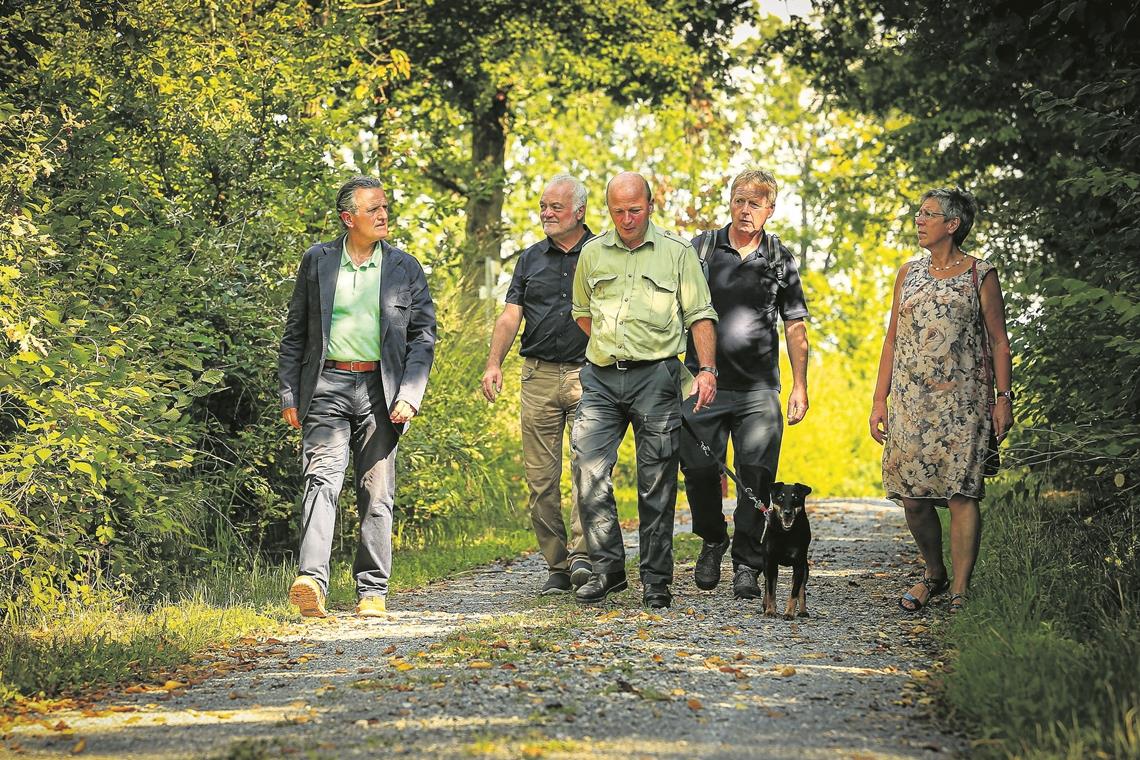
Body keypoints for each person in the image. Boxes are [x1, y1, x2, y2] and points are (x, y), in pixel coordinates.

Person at [279, 175, 437, 618]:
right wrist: (290, 391)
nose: (384, 214)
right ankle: (311, 581)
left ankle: (372, 591)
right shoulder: (318, 261)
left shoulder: (405, 268)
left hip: (380, 391)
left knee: (376, 491)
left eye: (385, 206)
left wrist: (411, 391)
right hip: (325, 385)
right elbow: (296, 331)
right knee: (321, 479)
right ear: (349, 218)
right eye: (373, 209)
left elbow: (423, 337)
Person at [570, 171, 719, 609]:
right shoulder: (593, 253)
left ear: (650, 206)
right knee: (587, 469)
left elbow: (700, 315)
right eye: (618, 211)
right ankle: (608, 570)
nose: (627, 218)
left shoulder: (676, 253)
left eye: (634, 209)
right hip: (600, 378)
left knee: (656, 480)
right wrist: (611, 347)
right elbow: (582, 313)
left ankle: (657, 579)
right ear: (608, 210)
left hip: (656, 377)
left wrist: (706, 369)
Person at [869, 187, 1012, 614]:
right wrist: (880, 399)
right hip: (912, 403)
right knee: (912, 498)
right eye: (919, 213)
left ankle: (960, 591)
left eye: (928, 214)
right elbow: (892, 340)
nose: (919, 220)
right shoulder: (907, 274)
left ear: (952, 225)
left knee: (961, 494)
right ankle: (934, 573)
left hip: (964, 403)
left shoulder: (979, 275)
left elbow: (999, 341)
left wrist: (1003, 398)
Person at [680, 169, 811, 600]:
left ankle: (747, 564)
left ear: (771, 209)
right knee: (698, 470)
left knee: (756, 478)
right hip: (703, 383)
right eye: (739, 200)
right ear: (730, 202)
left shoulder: (780, 258)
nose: (746, 209)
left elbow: (794, 326)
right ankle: (713, 538)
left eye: (756, 203)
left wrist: (799, 386)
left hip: (758, 390)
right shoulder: (700, 248)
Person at [481, 175, 594, 596]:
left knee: (589, 470)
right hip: (538, 375)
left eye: (555, 208)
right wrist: (494, 363)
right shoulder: (529, 259)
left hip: (590, 376)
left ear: (579, 212)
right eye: (543, 206)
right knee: (541, 479)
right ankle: (557, 565)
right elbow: (511, 316)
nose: (546, 214)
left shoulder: (603, 254)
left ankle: (584, 556)